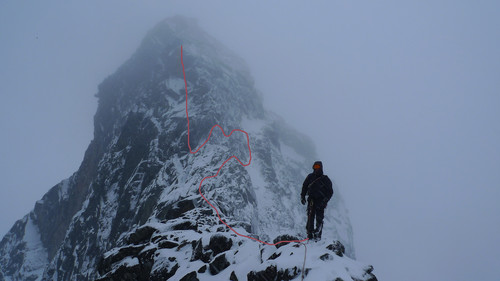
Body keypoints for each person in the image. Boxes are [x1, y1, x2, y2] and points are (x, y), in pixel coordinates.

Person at [301, 161, 333, 240]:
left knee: (319, 218)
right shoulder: (310, 177)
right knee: (310, 216)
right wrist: (302, 196)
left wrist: (325, 201)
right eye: (315, 166)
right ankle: (310, 233)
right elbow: (305, 186)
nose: (316, 168)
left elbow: (330, 192)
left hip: (321, 201)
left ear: (321, 167)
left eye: (318, 166)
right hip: (311, 199)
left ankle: (318, 235)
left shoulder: (325, 179)